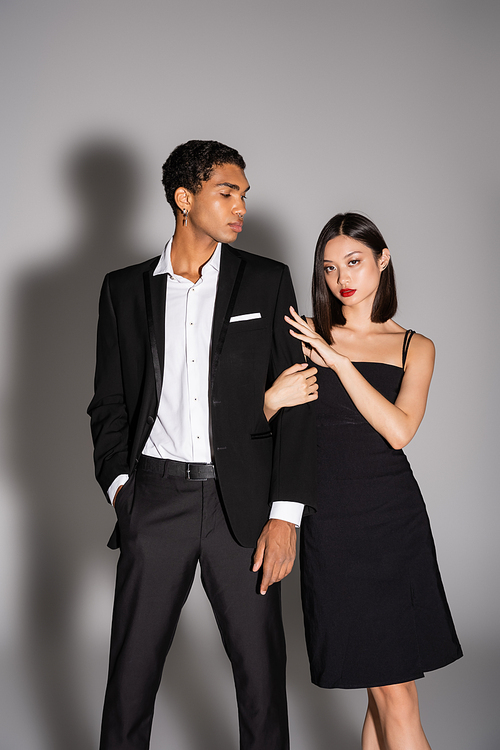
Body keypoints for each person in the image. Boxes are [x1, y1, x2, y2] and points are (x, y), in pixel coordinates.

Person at [87, 140, 317, 750]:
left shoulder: (267, 281)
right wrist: (122, 492)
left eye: (244, 193)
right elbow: (108, 403)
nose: (241, 206)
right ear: (183, 199)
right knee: (130, 681)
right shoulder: (124, 290)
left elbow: (297, 403)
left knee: (262, 680)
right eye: (227, 192)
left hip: (239, 508)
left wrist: (285, 516)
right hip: (154, 499)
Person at [264, 212, 462, 750]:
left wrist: (340, 363)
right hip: (331, 527)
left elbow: (399, 431)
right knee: (380, 697)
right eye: (329, 269)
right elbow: (263, 432)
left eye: (353, 262)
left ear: (383, 259)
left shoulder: (415, 347)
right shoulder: (303, 336)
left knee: (394, 696)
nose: (342, 278)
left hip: (393, 524)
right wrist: (267, 401)